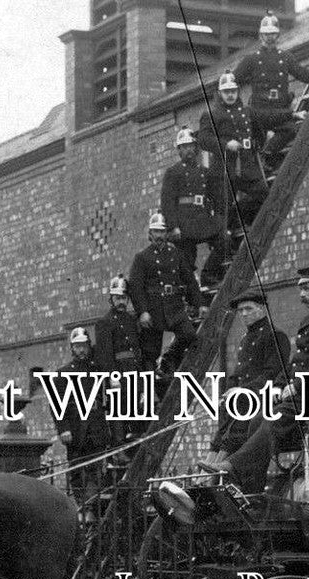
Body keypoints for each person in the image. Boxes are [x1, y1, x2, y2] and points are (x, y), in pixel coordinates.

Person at [207, 265, 309, 493]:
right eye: (300, 289)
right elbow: (296, 364)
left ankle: (233, 468)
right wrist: (279, 386)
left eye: (307, 288)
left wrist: (296, 387)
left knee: (273, 418)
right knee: (256, 419)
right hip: (304, 395)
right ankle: (252, 490)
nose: (301, 295)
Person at [196, 71, 304, 238]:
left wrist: (292, 114)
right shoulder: (211, 115)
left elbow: (268, 117)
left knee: (263, 195)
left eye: (233, 91)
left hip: (247, 166)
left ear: (237, 91)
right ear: (220, 94)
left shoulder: (247, 111)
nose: (230, 95)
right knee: (222, 209)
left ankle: (241, 217)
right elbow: (203, 139)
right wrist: (225, 145)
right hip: (225, 170)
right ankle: (230, 226)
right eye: (226, 92)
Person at [232, 13, 309, 172]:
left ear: (278, 35)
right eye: (266, 34)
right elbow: (231, 81)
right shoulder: (251, 59)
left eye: (272, 34)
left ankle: (267, 154)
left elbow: (306, 76)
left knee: (292, 129)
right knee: (257, 138)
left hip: (280, 112)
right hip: (261, 111)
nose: (270, 38)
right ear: (260, 36)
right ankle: (261, 159)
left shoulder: (285, 57)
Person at [206, 289, 291, 464]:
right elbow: (237, 374)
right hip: (241, 400)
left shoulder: (275, 335)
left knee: (233, 436)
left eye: (249, 309)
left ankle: (213, 475)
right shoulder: (246, 338)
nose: (244, 314)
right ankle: (202, 476)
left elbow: (272, 374)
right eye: (241, 310)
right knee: (220, 435)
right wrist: (228, 393)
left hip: (259, 400)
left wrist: (243, 391)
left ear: (262, 309)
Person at [127, 211, 206, 376]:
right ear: (150, 234)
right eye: (156, 231)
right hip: (153, 309)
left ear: (166, 233)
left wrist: (199, 304)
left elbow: (190, 280)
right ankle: (153, 385)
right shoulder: (142, 257)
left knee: (189, 335)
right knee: (150, 351)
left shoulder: (176, 254)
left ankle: (169, 358)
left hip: (174, 306)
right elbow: (136, 287)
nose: (159, 235)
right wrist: (143, 312)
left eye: (162, 231)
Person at [159, 127, 226, 288]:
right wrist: (173, 227)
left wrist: (219, 217)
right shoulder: (173, 172)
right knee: (187, 261)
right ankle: (191, 294)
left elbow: (215, 196)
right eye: (184, 147)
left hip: (202, 217)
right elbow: (167, 201)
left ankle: (208, 275)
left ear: (196, 148)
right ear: (179, 150)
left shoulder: (205, 171)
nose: (188, 149)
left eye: (191, 146)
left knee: (224, 240)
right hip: (184, 222)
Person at [53, 327, 111, 507]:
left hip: (96, 428)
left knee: (98, 471)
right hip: (76, 430)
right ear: (72, 348)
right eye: (77, 346)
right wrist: (63, 429)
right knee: (78, 472)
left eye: (84, 345)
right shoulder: (62, 374)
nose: (81, 350)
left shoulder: (98, 370)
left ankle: (92, 510)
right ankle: (82, 508)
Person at [94, 275, 146, 445]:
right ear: (111, 299)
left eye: (124, 298)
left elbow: (137, 348)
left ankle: (133, 439)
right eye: (117, 298)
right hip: (118, 373)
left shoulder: (132, 320)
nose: (121, 301)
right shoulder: (105, 322)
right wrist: (112, 377)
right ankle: (119, 446)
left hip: (134, 370)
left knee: (135, 405)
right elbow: (105, 355)